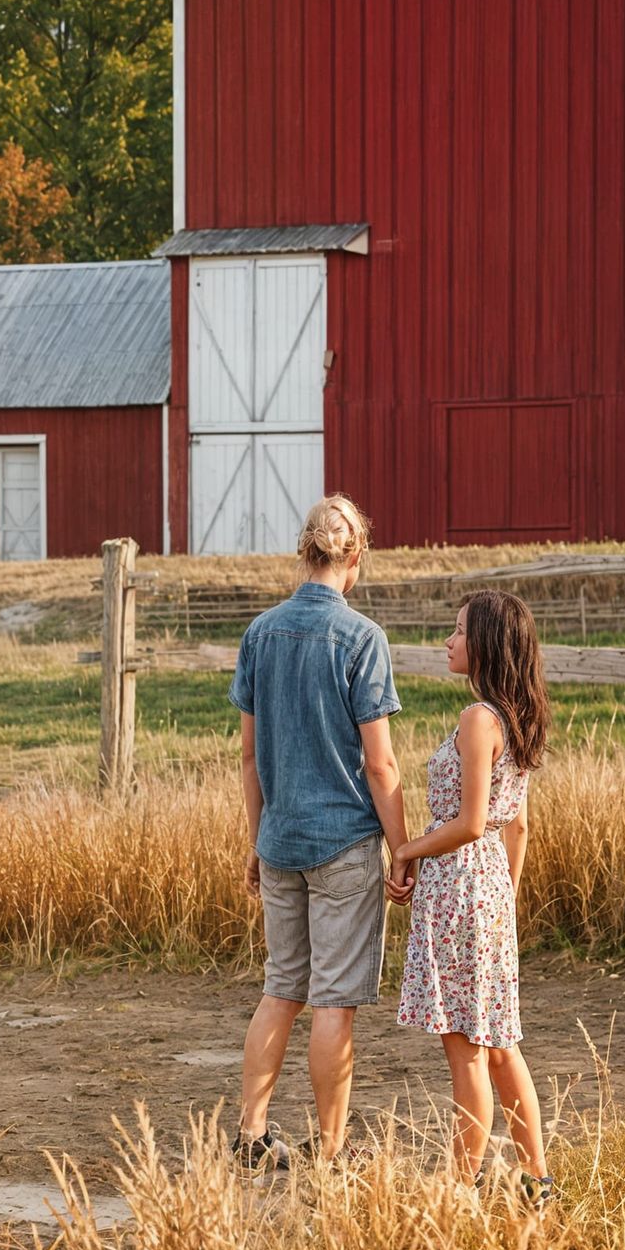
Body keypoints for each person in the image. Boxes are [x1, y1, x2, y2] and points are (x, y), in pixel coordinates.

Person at [230, 494, 409, 1173]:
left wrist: (257, 838)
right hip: (343, 845)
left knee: (282, 988)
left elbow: (248, 756)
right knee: (334, 999)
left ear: (304, 552)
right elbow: (380, 761)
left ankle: (250, 1132)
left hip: (279, 842)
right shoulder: (361, 639)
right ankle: (332, 1149)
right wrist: (401, 846)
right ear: (355, 557)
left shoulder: (260, 634)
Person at [390, 589, 554, 1205]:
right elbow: (518, 827)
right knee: (500, 1043)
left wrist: (405, 850)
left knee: (466, 1053)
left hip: (459, 886)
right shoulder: (517, 717)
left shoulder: (478, 719)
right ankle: (536, 1178)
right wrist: (503, 900)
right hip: (488, 889)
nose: (448, 641)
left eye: (458, 631)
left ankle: (461, 1185)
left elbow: (468, 820)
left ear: (482, 643)